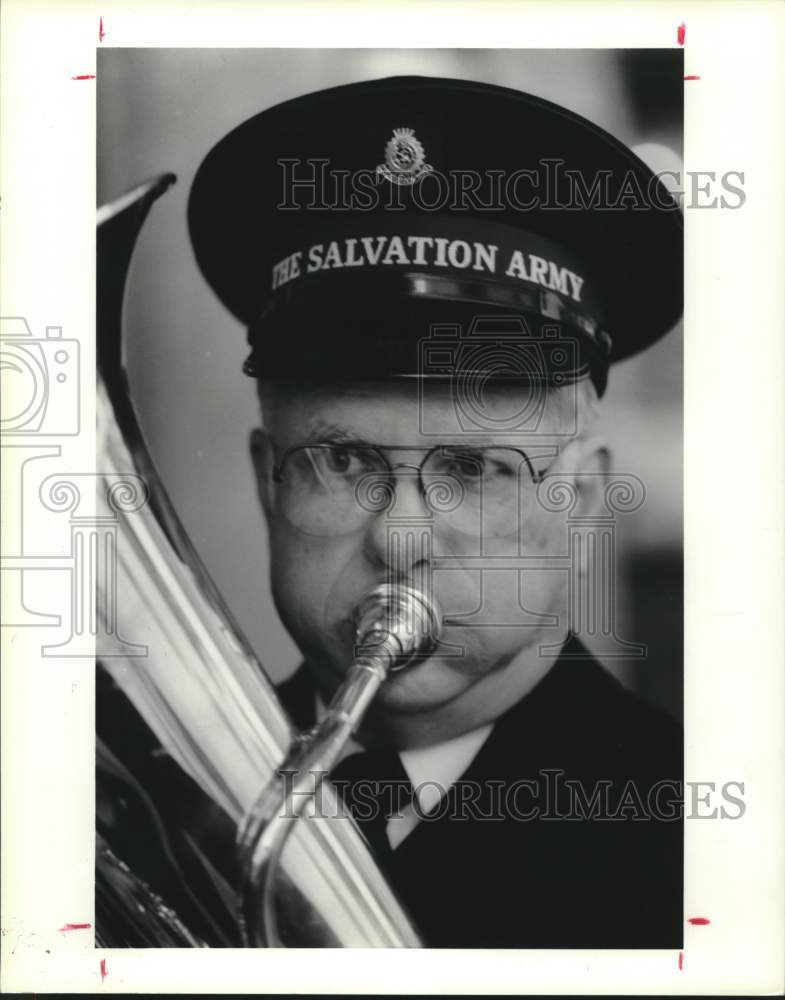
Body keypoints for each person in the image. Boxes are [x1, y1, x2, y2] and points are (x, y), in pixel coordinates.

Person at [99, 74, 684, 949]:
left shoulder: (704, 847)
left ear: (581, 499)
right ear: (270, 483)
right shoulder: (129, 811)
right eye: (342, 460)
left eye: (472, 467)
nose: (399, 539)